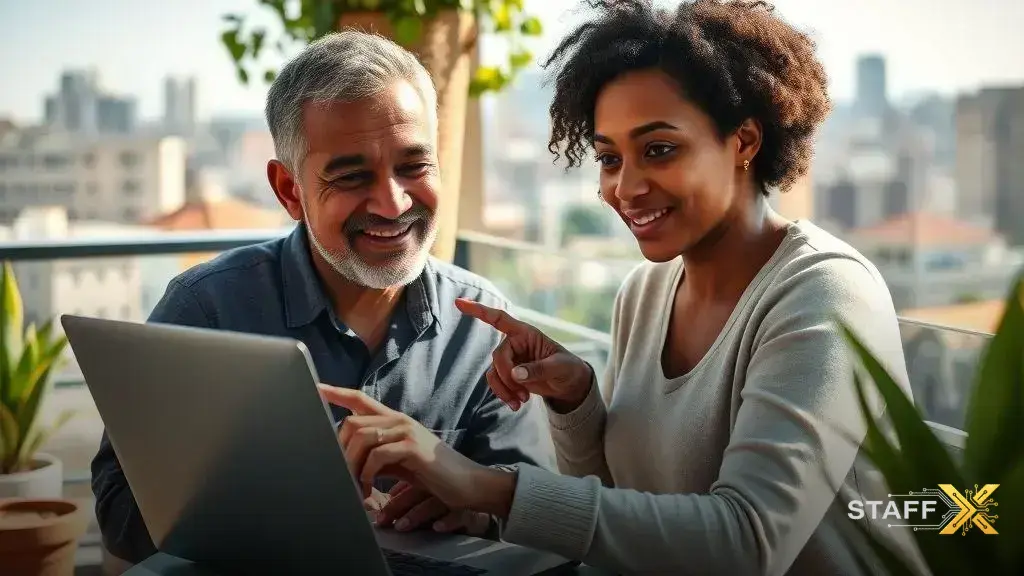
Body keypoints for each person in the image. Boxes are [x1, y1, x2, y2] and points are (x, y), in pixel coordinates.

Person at [316, 1, 917, 574]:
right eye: (609, 158)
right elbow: (620, 519)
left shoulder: (825, 291)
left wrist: (483, 484)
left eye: (659, 150)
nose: (625, 188)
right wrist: (577, 404)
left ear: (745, 142)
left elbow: (748, 544)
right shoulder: (647, 291)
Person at [90, 30, 555, 565]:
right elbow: (118, 508)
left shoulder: (481, 324)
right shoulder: (205, 309)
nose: (392, 202)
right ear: (290, 191)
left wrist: (471, 505)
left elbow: (536, 520)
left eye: (414, 166)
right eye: (354, 176)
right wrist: (274, 505)